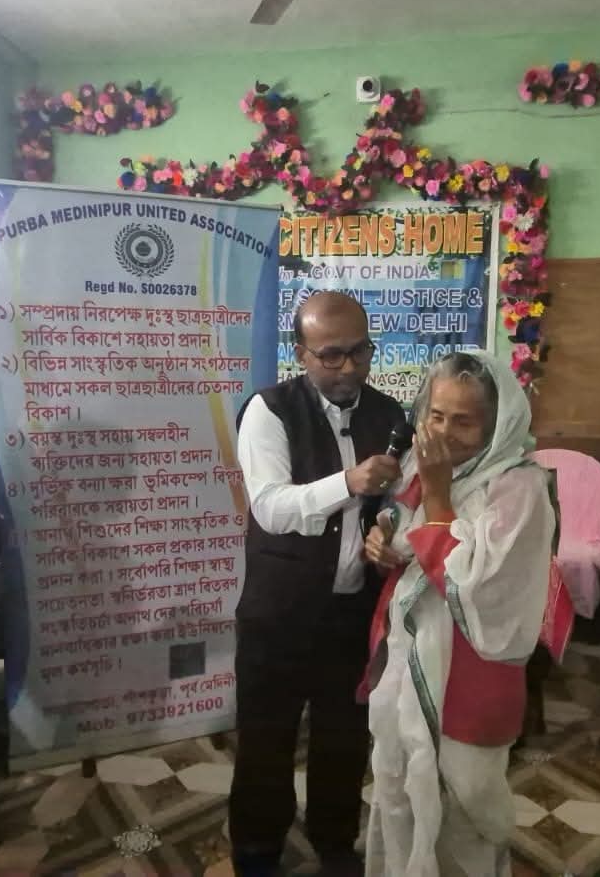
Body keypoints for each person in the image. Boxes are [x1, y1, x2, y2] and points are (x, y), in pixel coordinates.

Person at [359, 351, 556, 876]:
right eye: (436, 415)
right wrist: (381, 541)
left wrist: (439, 493)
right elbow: (401, 529)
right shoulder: (418, 466)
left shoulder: (520, 488)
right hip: (409, 660)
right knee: (399, 789)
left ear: (496, 424)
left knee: (468, 805)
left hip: (473, 672)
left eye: (464, 421)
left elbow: (475, 583)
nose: (444, 433)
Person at [229, 291, 405, 877]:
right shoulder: (269, 410)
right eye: (331, 355)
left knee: (344, 736)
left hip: (352, 610)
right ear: (301, 354)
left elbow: (395, 502)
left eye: (360, 352)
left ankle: (334, 841)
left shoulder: (389, 413)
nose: (348, 367)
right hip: (280, 612)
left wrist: (385, 529)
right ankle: (257, 849)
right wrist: (347, 483)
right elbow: (271, 507)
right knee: (266, 737)